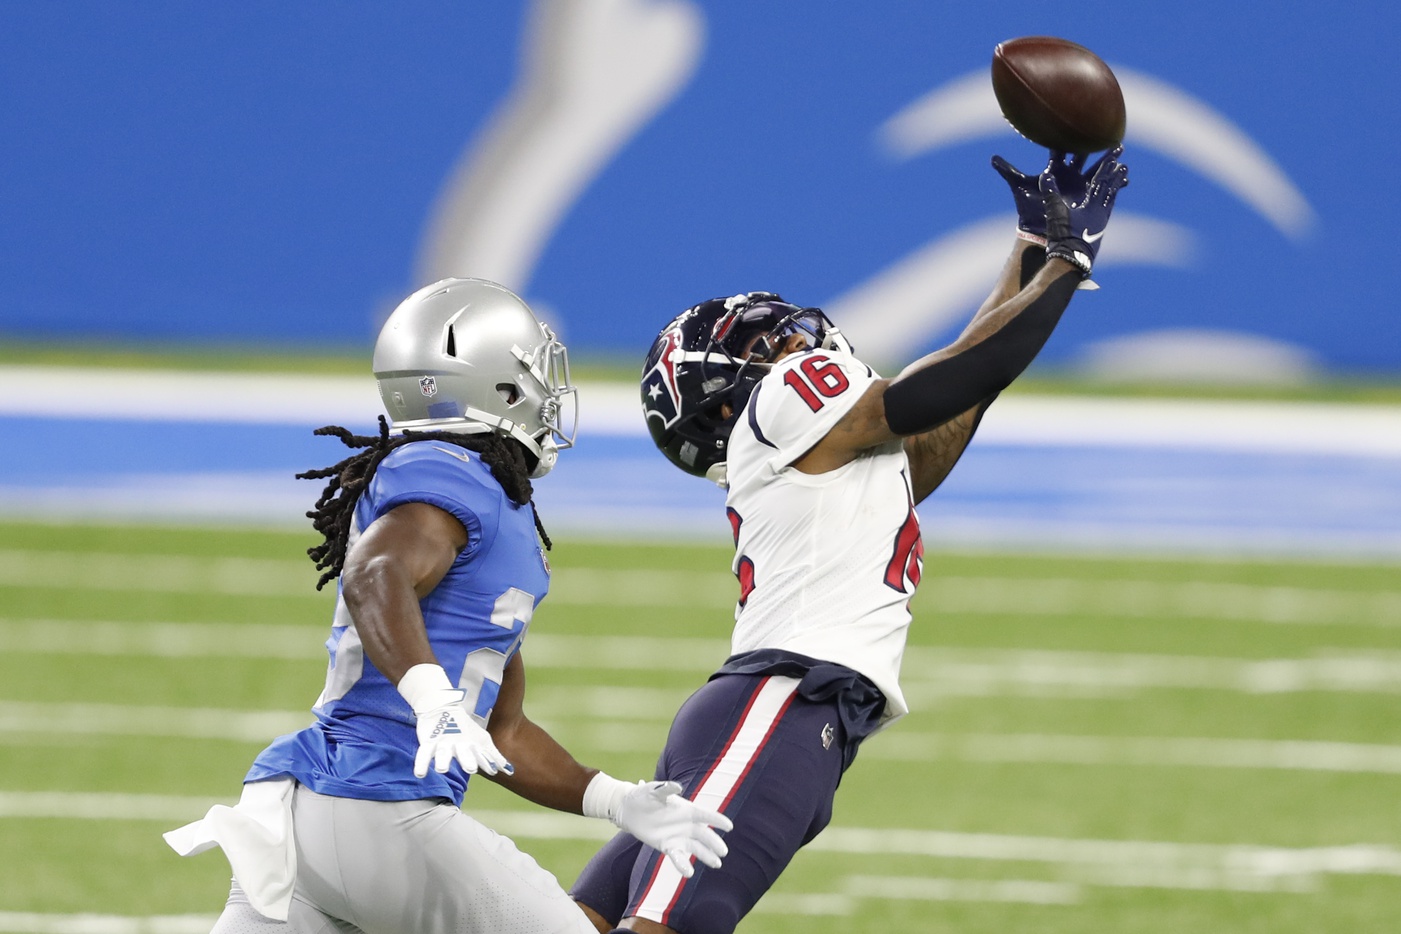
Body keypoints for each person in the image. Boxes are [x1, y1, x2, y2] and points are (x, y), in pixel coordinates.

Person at [569, 147, 1129, 933]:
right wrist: (1065, 265)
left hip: (788, 711)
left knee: (582, 920)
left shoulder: (820, 462)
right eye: (762, 346)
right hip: (784, 700)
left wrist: (1030, 251)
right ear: (730, 394)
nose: (789, 343)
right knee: (664, 927)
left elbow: (959, 396)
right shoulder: (781, 400)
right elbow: (951, 379)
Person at [164, 277, 732, 934]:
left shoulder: (483, 495)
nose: (548, 392)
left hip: (304, 821)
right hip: (385, 811)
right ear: (494, 384)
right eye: (534, 373)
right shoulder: (445, 472)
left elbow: (501, 730)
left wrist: (615, 800)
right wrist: (433, 701)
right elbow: (374, 575)